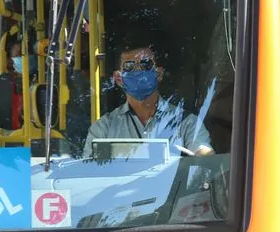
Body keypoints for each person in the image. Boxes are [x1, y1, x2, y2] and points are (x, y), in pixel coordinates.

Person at [82, 38, 212, 159]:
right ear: (118, 78)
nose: (138, 70)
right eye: (129, 66)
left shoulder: (187, 123)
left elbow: (205, 159)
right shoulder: (103, 129)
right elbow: (87, 174)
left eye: (146, 64)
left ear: (159, 74)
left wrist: (202, 155)